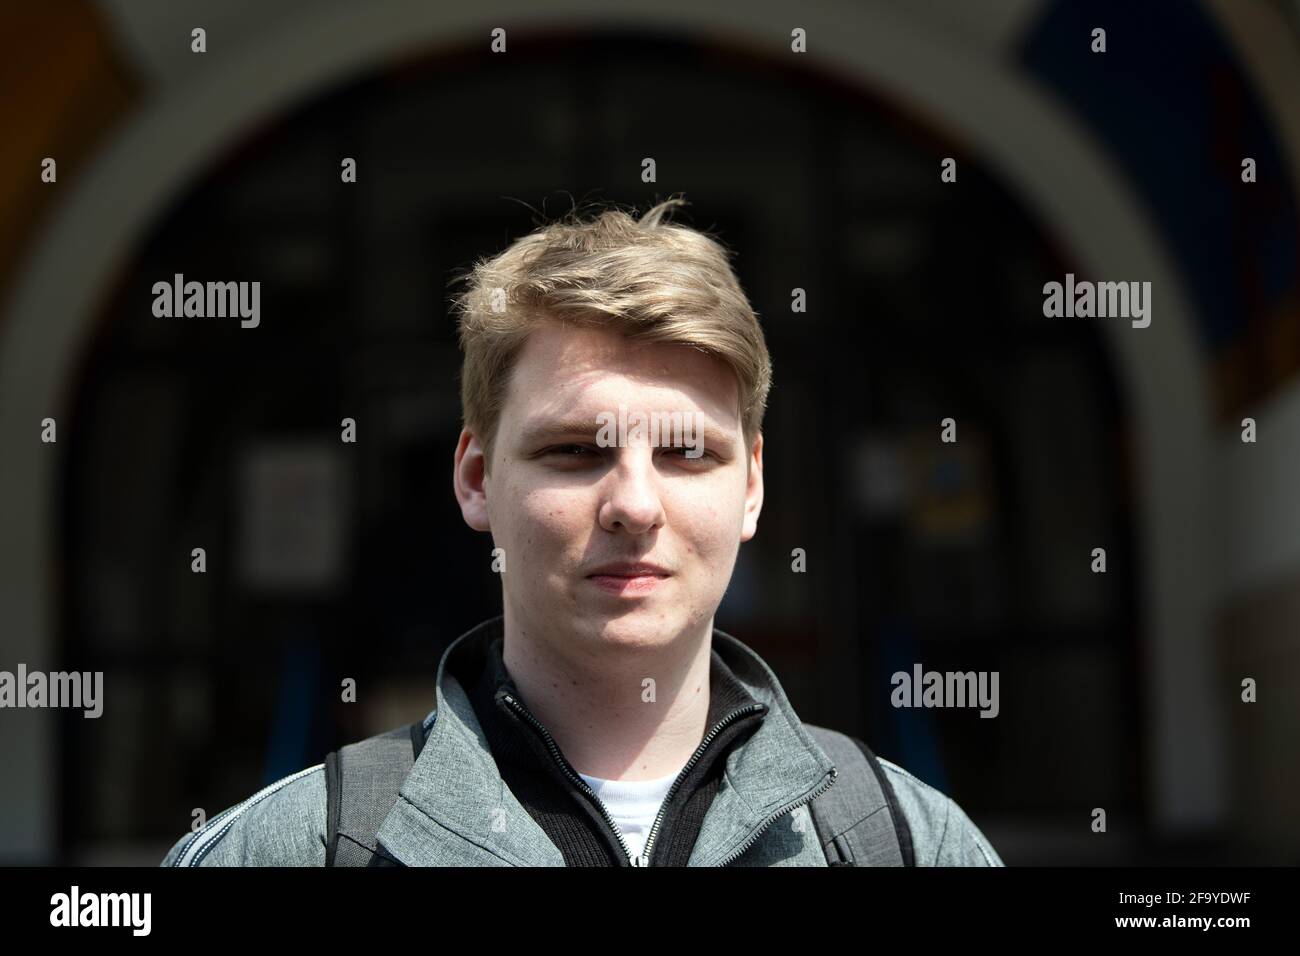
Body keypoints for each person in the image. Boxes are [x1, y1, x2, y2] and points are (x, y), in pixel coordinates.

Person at [162, 196, 1003, 867]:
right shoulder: (286, 850)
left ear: (751, 486)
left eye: (685, 453)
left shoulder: (909, 843)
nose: (634, 505)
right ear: (477, 478)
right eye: (572, 451)